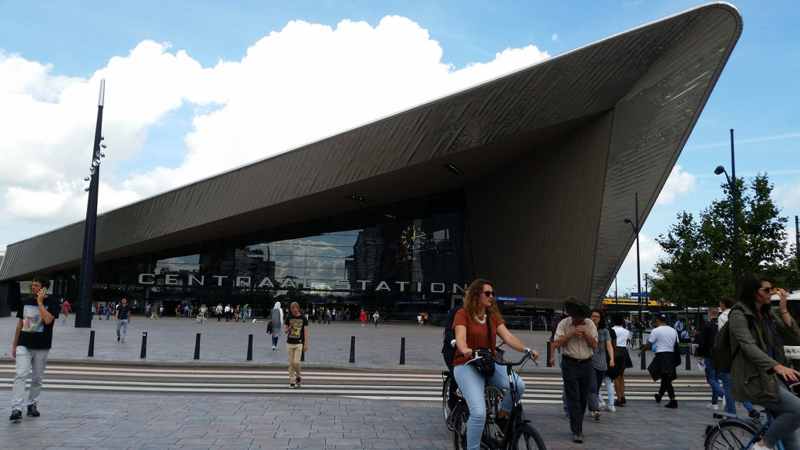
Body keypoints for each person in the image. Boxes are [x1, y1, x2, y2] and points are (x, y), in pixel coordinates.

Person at [452, 279, 538, 450]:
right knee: (478, 413)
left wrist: (527, 350)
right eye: (487, 293)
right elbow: (460, 338)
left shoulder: (492, 316)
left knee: (518, 385)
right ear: (476, 295)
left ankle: (502, 415)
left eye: (493, 293)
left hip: (488, 362)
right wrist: (465, 349)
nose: (491, 296)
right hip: (467, 364)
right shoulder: (463, 314)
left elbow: (508, 337)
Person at [729, 275, 800, 450]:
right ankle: (762, 445)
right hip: (754, 379)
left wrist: (783, 308)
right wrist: (777, 366)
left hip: (773, 378)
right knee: (797, 410)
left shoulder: (768, 313)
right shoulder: (738, 314)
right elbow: (748, 346)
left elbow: (793, 333)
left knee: (791, 441)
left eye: (772, 289)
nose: (771, 293)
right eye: (766, 290)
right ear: (754, 292)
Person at [9, 277, 59, 423]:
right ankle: (16, 408)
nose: (33, 287)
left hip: (42, 346)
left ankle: (32, 404)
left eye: (36, 285)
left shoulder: (52, 302)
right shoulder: (25, 302)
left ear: (44, 288)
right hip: (24, 344)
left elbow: (48, 320)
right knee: (20, 374)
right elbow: (20, 324)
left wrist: (40, 302)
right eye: (33, 285)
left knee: (37, 378)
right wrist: (14, 344)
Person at [554, 299, 598, 444]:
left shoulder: (590, 324)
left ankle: (578, 425)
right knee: (573, 397)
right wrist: (571, 333)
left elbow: (594, 345)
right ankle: (577, 431)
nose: (579, 320)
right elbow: (557, 343)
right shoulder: (564, 324)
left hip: (586, 363)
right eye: (576, 318)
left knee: (583, 397)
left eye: (581, 318)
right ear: (572, 315)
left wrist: (585, 334)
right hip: (570, 363)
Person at [718, 296, 759, 418]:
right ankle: (749, 409)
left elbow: (722, 338)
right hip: (743, 354)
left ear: (724, 304)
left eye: (720, 303)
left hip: (729, 355)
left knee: (728, 386)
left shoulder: (723, 316)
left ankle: (731, 414)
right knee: (737, 385)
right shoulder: (742, 315)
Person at [642, 314, 680, 408]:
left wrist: (642, 350)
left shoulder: (656, 330)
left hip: (661, 356)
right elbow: (676, 343)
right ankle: (659, 396)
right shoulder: (673, 330)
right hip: (671, 355)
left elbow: (649, 344)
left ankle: (673, 400)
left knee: (665, 378)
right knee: (665, 377)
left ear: (658, 320)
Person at [588, 309, 615, 419]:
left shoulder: (604, 331)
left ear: (600, 319)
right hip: (589, 361)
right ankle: (594, 409)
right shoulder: (587, 329)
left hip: (602, 363)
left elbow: (609, 345)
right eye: (593, 316)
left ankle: (592, 406)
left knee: (597, 387)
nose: (594, 318)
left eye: (597, 316)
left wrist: (612, 359)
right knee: (593, 387)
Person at [696, 308, 724, 410]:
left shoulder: (707, 325)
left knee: (711, 379)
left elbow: (702, 342)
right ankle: (714, 403)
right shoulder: (721, 325)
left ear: (709, 314)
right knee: (715, 379)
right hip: (720, 355)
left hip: (709, 354)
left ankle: (724, 395)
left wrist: (699, 355)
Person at [608, 316, 632, 407]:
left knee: (616, 377)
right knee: (621, 376)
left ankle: (619, 399)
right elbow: (628, 343)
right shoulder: (627, 331)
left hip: (615, 351)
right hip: (624, 352)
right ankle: (623, 396)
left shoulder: (611, 330)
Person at [285, 302, 309, 388]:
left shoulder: (303, 318)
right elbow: (285, 331)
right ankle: (292, 381)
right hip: (289, 343)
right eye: (292, 308)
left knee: (296, 362)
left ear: (298, 308)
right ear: (291, 309)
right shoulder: (288, 317)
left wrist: (306, 344)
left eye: (295, 308)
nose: (294, 310)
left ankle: (298, 376)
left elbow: (306, 332)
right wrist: (289, 328)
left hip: (299, 343)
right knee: (291, 363)